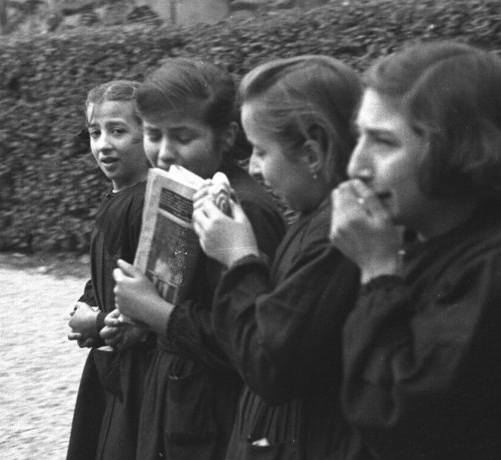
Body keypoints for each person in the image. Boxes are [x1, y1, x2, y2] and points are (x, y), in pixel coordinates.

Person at [329, 41, 501, 459]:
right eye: (360, 137)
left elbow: (396, 419)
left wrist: (377, 272)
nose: (356, 165)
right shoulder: (429, 237)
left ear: (455, 149)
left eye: (383, 142)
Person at [191, 55, 371, 459]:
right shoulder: (317, 218)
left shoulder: (338, 234)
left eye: (260, 151)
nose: (253, 168)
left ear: (312, 152)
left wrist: (239, 257)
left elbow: (269, 366)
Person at [109, 58, 286, 460]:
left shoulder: (244, 211)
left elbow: (251, 341)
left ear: (226, 137)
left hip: (218, 421)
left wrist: (157, 313)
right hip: (179, 404)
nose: (164, 153)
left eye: (183, 137)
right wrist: (141, 322)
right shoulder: (180, 189)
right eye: (153, 134)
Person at [66, 80, 153, 460]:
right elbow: (104, 268)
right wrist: (84, 305)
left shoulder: (147, 203)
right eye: (95, 132)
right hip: (108, 363)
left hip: (137, 372)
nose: (103, 144)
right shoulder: (115, 197)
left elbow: (151, 296)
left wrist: (98, 321)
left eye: (118, 131)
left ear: (148, 134)